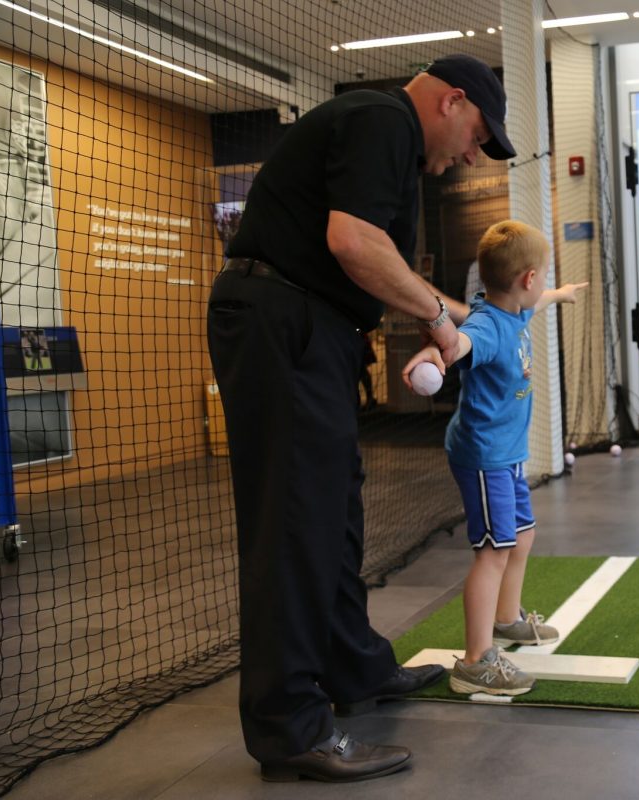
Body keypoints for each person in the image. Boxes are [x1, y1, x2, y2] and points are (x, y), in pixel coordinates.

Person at [206, 54, 517, 783]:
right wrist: (439, 313)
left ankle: (355, 669)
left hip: (312, 332)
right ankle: (289, 729)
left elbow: (367, 259)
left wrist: (439, 318)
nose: (474, 152)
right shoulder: (382, 118)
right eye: (480, 133)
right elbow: (354, 243)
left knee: (333, 516)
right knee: (295, 525)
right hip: (283, 326)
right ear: (452, 101)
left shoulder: (390, 140)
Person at [402, 221, 586, 696]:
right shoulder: (485, 326)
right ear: (526, 278)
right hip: (484, 457)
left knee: (521, 536)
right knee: (493, 552)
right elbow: (464, 344)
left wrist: (560, 293)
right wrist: (437, 352)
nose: (543, 285)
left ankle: (507, 618)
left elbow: (533, 305)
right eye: (544, 277)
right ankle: (475, 662)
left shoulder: (512, 309)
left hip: (507, 455)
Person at [358, 330, 378, 411]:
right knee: (361, 371)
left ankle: (369, 398)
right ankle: (369, 398)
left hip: (357, 336)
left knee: (361, 371)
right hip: (357, 336)